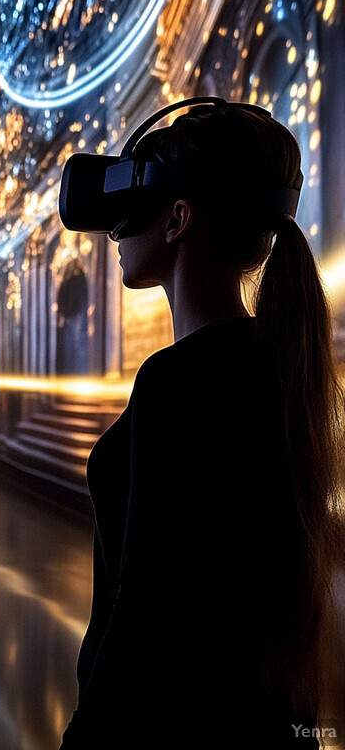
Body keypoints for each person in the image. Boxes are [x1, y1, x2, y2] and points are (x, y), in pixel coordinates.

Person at [58, 101, 345, 748]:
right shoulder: (274, 369)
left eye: (134, 203)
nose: (115, 232)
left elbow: (144, 619)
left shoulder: (177, 382)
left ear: (179, 219)